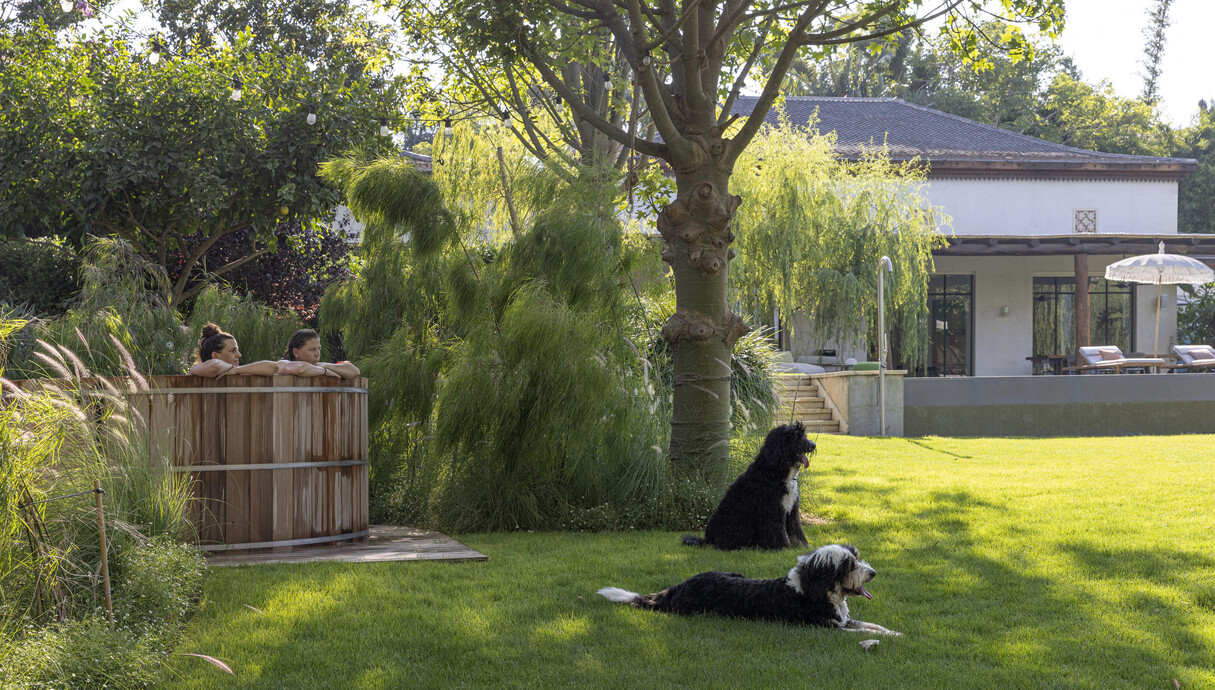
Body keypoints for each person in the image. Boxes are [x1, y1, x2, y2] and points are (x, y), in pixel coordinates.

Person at [189, 323, 280, 378]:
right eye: (232, 350)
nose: (239, 355)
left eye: (237, 350)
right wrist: (235, 370)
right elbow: (216, 366)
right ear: (215, 355)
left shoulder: (237, 370)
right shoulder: (198, 368)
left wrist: (236, 370)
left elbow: (273, 367)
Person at [277, 329, 360, 380]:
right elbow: (300, 369)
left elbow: (354, 371)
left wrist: (324, 367)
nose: (317, 354)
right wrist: (325, 371)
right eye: (312, 349)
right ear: (296, 352)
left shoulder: (317, 366)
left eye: (319, 349)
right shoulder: (281, 364)